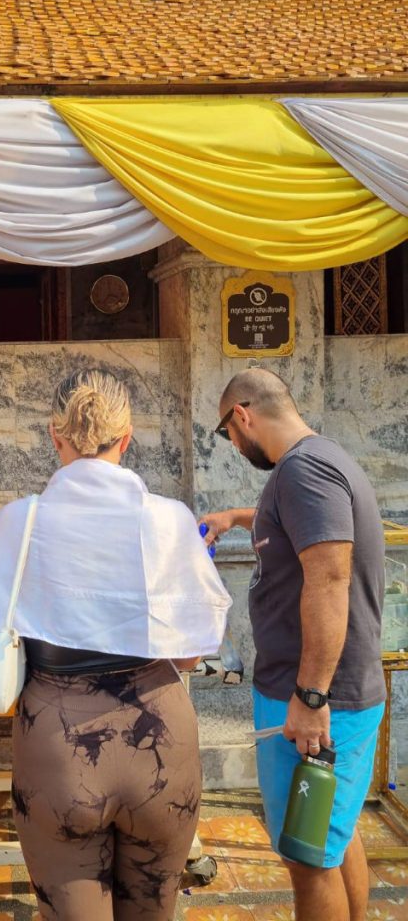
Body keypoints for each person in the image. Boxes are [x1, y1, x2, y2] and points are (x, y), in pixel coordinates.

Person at [0, 369, 232, 921]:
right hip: (159, 738)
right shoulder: (168, 520)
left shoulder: (19, 522)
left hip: (57, 744)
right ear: (126, 439)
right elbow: (191, 653)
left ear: (54, 435)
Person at [199, 368, 386, 921]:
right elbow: (306, 526)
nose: (233, 445)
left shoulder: (303, 473)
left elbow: (328, 578)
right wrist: (236, 517)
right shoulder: (317, 463)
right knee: (335, 836)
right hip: (332, 694)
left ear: (243, 415)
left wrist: (310, 697)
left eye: (228, 434)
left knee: (307, 859)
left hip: (319, 701)